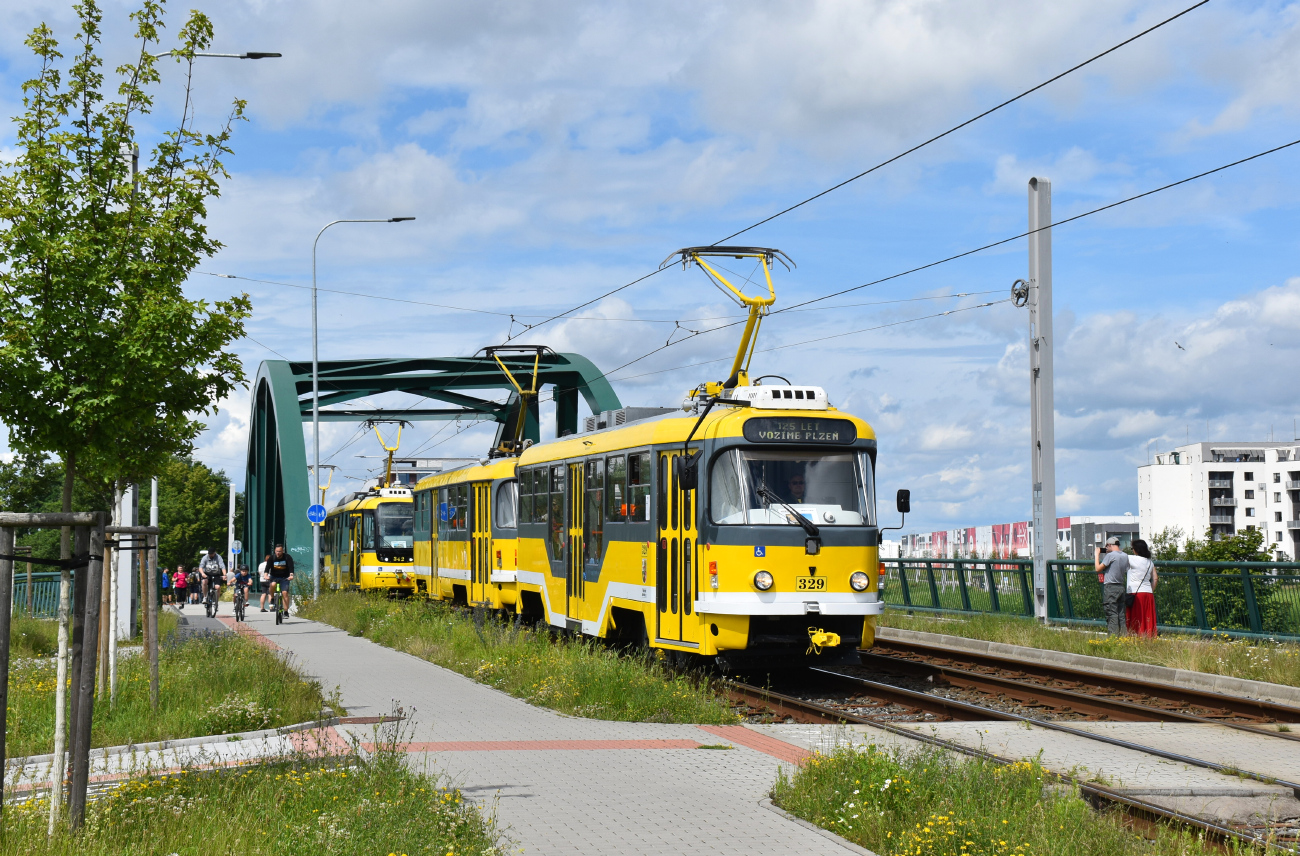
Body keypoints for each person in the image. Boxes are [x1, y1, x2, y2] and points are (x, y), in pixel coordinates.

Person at [1095, 536, 1129, 635]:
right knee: (1121, 614)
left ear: (1110, 545)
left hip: (1110, 587)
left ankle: (1113, 638)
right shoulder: (1125, 555)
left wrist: (1097, 555)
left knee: (1111, 613)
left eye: (1106, 546)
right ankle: (1123, 637)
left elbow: (1098, 569)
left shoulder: (1111, 556)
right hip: (1121, 587)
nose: (1106, 549)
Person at [1126, 539, 1158, 638]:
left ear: (1136, 550)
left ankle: (1136, 637)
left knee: (1136, 618)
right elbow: (1155, 578)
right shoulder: (1150, 562)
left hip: (1135, 593)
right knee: (1147, 618)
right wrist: (1150, 590)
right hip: (1148, 593)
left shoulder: (1131, 558)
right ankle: (1148, 638)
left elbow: (1118, 556)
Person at [264, 544, 295, 617]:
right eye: (277, 551)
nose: (278, 553)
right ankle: (272, 598)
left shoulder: (287, 557)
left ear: (282, 551)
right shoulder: (272, 558)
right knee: (273, 585)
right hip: (274, 576)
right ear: (275, 551)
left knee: (284, 593)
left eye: (280, 551)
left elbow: (291, 567)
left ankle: (286, 611)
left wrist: (291, 575)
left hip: (284, 577)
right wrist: (266, 575)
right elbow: (267, 568)